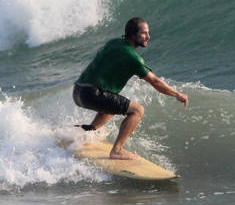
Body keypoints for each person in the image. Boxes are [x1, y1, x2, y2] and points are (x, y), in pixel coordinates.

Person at [72, 17, 188, 160]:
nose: (148, 37)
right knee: (137, 110)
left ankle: (86, 132)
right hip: (91, 94)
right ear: (133, 35)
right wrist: (177, 94)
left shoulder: (113, 43)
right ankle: (117, 150)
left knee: (113, 107)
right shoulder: (132, 57)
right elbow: (155, 82)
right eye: (144, 33)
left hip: (78, 91)